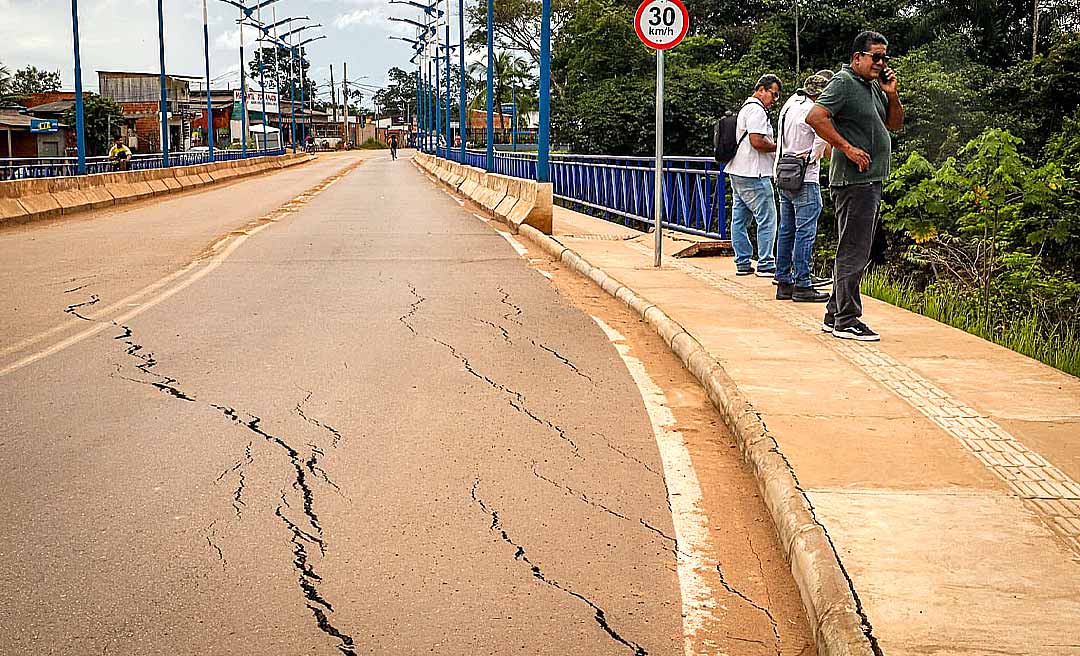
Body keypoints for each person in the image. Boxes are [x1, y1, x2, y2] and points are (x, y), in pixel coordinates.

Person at [807, 31, 904, 341]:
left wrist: (892, 94)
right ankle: (847, 319)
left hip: (870, 179)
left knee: (855, 247)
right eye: (875, 57)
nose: (881, 63)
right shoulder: (844, 82)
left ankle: (834, 312)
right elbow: (816, 117)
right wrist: (847, 148)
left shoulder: (873, 85)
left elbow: (894, 124)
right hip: (854, 181)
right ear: (857, 57)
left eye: (884, 57)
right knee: (854, 250)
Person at [774, 71, 834, 303]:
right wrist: (810, 157)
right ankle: (803, 284)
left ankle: (783, 282)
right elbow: (822, 141)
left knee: (786, 230)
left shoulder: (790, 106)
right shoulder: (814, 111)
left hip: (784, 173)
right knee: (805, 232)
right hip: (805, 177)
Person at [726, 74, 782, 277]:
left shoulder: (746, 108)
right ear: (761, 90)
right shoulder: (757, 110)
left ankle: (742, 262)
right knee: (768, 217)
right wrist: (779, 146)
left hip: (738, 169)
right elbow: (757, 141)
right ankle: (766, 262)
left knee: (739, 219)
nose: (774, 100)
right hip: (754, 172)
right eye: (773, 94)